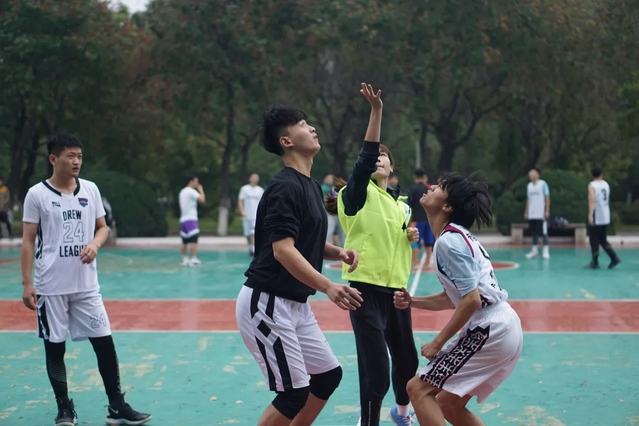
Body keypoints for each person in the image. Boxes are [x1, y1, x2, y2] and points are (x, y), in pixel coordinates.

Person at [235, 97, 364, 426]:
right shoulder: (284, 187)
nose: (312, 128)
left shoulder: (309, 185)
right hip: (267, 301)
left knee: (327, 376)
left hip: (294, 304)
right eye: (303, 125)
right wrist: (328, 286)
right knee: (293, 393)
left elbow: (307, 240)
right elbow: (283, 250)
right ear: (286, 141)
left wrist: (338, 252)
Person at [20, 133, 151, 426]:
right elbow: (28, 240)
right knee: (55, 348)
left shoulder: (90, 190)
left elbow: (102, 227)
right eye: (70, 156)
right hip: (50, 286)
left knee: (104, 343)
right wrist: (27, 282)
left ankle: (116, 406)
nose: (76, 161)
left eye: (79, 156)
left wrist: (95, 244)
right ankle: (64, 407)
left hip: (86, 286)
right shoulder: (37, 195)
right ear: (53, 159)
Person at [394, 172, 523, 426]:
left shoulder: (449, 242)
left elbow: (471, 300)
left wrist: (438, 342)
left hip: (490, 328)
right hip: (501, 326)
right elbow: (453, 298)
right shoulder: (454, 236)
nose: (431, 186)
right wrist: (412, 301)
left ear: (447, 207)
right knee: (448, 404)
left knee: (417, 389)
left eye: (440, 187)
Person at [325, 83, 419, 426]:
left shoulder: (401, 205)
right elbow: (364, 162)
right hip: (364, 291)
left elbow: (393, 241)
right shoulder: (356, 193)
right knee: (376, 371)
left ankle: (401, 414)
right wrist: (376, 111)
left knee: (408, 363)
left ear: (392, 167)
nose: (378, 158)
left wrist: (409, 236)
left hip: (396, 293)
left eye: (384, 155)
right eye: (374, 155)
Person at [586, 167, 621, 269]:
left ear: (591, 175)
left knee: (594, 239)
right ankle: (614, 257)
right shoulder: (606, 184)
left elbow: (592, 200)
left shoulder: (592, 185)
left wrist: (590, 214)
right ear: (601, 174)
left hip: (597, 214)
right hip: (605, 214)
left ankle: (595, 262)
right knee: (602, 239)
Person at [409, 169, 435, 268]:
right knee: (429, 241)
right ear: (424, 177)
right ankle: (428, 262)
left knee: (415, 240)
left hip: (416, 219)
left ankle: (414, 262)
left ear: (415, 177)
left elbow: (409, 204)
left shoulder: (412, 189)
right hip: (428, 219)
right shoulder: (428, 189)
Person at [178, 174, 205, 266]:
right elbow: (202, 199)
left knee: (185, 240)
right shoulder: (191, 191)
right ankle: (193, 258)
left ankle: (184, 258)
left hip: (183, 219)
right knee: (193, 239)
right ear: (191, 182)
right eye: (196, 181)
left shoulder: (182, 191)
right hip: (191, 219)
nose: (197, 183)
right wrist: (201, 190)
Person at [524, 168, 550, 259]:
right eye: (530, 174)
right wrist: (526, 211)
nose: (530, 175)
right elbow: (528, 199)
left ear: (537, 175)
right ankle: (535, 250)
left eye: (532, 174)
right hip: (532, 214)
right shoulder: (529, 186)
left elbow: (547, 198)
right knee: (534, 232)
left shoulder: (543, 184)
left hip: (541, 213)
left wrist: (547, 210)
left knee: (544, 232)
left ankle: (546, 250)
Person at [238, 173, 265, 256]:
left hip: (256, 215)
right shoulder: (244, 189)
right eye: (253, 177)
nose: (255, 179)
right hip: (247, 214)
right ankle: (251, 246)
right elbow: (240, 200)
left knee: (253, 232)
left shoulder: (260, 190)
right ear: (250, 179)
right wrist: (242, 210)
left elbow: (263, 202)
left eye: (256, 178)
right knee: (247, 233)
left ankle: (254, 248)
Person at [321, 174, 345, 247]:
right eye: (329, 178)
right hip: (330, 212)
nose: (330, 180)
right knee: (330, 230)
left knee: (341, 231)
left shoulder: (334, 188)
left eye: (331, 179)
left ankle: (343, 247)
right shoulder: (323, 188)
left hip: (339, 212)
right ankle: (327, 245)